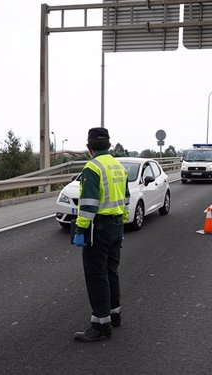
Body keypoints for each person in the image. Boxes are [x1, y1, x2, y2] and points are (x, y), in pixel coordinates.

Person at [72, 127, 130, 342]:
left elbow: (87, 205)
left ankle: (101, 325)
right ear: (109, 145)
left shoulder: (92, 167)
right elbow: (125, 199)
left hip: (98, 228)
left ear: (89, 148)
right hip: (115, 225)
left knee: (96, 275)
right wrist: (121, 223)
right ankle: (115, 314)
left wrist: (80, 230)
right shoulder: (119, 166)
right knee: (111, 271)